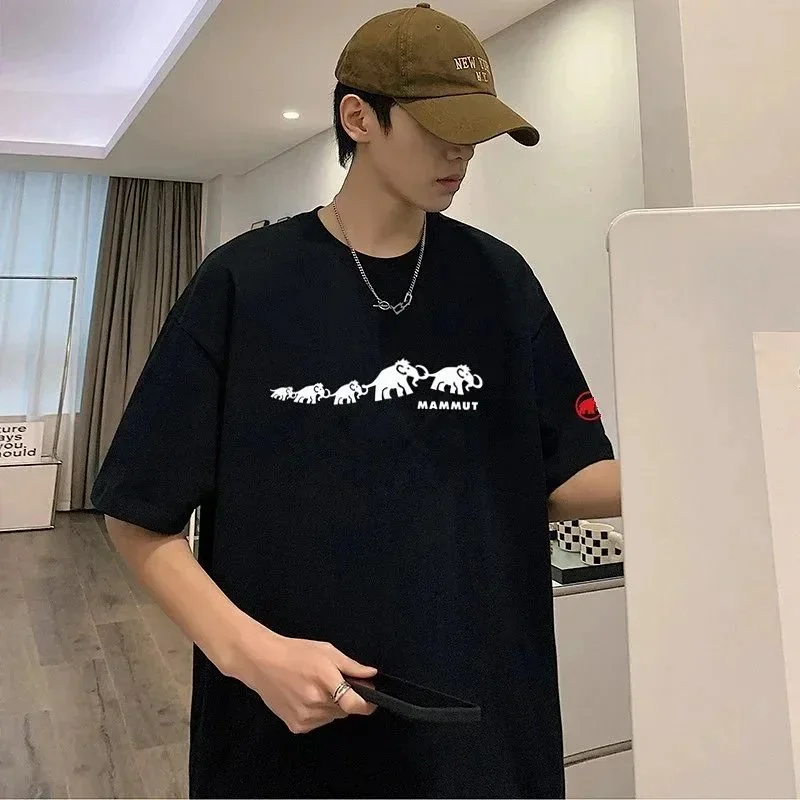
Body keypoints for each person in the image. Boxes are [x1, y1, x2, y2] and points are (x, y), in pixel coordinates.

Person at [92, 3, 621, 798]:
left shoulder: (500, 280)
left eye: (475, 133)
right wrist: (250, 655)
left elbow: (561, 475)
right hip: (292, 731)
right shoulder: (246, 283)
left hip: (483, 728)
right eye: (440, 128)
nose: (461, 153)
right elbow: (137, 514)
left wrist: (725, 461)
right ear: (359, 118)